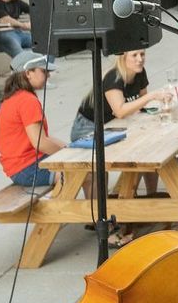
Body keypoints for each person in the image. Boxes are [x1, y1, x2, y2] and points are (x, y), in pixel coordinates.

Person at [70, 49, 171, 202]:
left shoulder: (139, 73)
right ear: (123, 57)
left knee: (146, 149)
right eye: (134, 55)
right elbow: (120, 111)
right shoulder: (114, 78)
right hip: (89, 127)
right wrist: (152, 96)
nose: (139, 59)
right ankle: (98, 217)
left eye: (142, 54)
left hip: (113, 124)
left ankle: (151, 196)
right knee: (99, 168)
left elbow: (142, 103)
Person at [0, 51, 63, 187]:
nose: (49, 75)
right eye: (44, 71)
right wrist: (69, 156)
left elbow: (44, 138)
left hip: (21, 167)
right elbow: (41, 143)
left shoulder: (15, 97)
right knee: (87, 174)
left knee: (85, 171)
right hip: (28, 168)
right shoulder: (27, 101)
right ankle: (91, 208)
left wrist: (68, 148)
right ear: (28, 73)